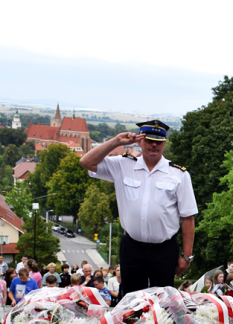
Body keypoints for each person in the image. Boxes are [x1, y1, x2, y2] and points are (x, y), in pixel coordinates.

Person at [81, 120, 198, 297]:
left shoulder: (178, 174)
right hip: (132, 247)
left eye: (158, 142)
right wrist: (116, 142)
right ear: (139, 142)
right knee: (130, 300)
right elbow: (86, 161)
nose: (154, 145)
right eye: (149, 140)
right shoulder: (123, 165)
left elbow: (188, 217)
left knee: (163, 302)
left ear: (164, 143)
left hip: (164, 250)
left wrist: (186, 256)